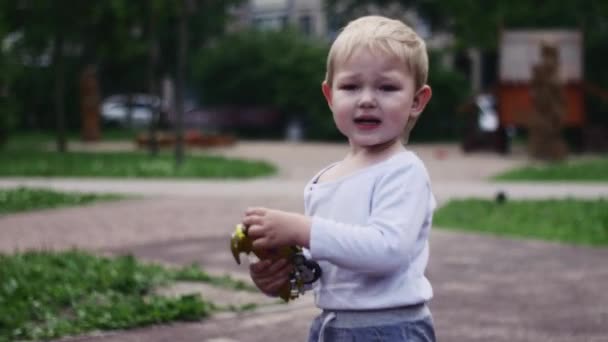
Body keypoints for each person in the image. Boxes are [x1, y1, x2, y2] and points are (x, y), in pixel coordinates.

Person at [242, 15, 436, 341]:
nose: (367, 99)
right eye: (350, 86)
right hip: (332, 325)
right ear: (331, 96)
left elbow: (387, 251)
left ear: (416, 101)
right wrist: (285, 277)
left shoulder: (404, 171)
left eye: (387, 87)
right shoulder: (324, 180)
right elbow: (328, 271)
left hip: (391, 328)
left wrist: (303, 230)